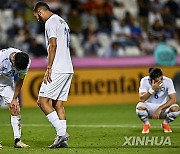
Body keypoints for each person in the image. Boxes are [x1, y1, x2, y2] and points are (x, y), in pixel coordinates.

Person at [33, 2, 74, 148]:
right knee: (58, 104)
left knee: (42, 101)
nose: (37, 19)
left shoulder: (50, 22)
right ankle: (63, 142)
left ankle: (61, 133)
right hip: (68, 67)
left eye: (36, 16)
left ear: (40, 12)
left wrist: (49, 67)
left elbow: (53, 45)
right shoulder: (62, 21)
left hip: (57, 68)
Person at [0, 47, 30, 148]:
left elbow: (20, 80)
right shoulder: (1, 59)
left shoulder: (25, 61)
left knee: (15, 108)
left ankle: (17, 140)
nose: (17, 70)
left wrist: (14, 99)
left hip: (7, 84)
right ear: (12, 60)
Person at [136, 68, 180, 134]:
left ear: (162, 77)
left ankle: (165, 123)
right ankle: (146, 124)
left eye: (161, 79)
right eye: (156, 81)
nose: (159, 82)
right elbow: (141, 99)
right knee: (139, 107)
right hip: (149, 107)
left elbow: (173, 99)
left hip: (162, 108)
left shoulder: (168, 81)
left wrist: (160, 108)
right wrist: (152, 89)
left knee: (176, 108)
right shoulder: (144, 80)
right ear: (151, 79)